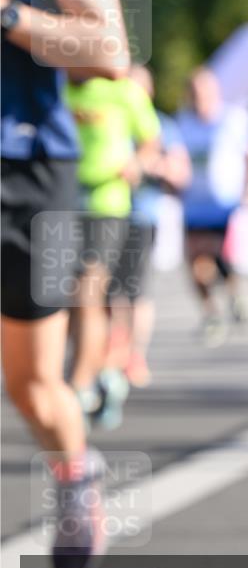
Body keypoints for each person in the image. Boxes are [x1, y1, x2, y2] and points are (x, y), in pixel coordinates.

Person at [0, 0, 128, 568]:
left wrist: (8, 13)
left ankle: (76, 473)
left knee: (34, 385)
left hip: (28, 171)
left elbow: (109, 51)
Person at [65, 68, 161, 422]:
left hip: (107, 206)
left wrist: (138, 162)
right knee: (67, 300)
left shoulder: (123, 92)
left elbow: (151, 141)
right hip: (57, 205)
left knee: (88, 291)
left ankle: (80, 383)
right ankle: (99, 369)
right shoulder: (53, 87)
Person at [106, 65, 191, 387]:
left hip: (142, 216)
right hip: (107, 213)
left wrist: (148, 165)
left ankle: (135, 355)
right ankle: (113, 350)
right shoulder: (110, 115)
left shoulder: (162, 125)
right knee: (109, 290)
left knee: (136, 290)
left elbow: (180, 173)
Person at [177, 67, 248, 346]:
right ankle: (211, 312)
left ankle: (235, 291)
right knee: (197, 262)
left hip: (225, 204)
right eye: (195, 92)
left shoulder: (233, 119)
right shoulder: (183, 122)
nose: (201, 98)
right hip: (194, 204)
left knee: (219, 257)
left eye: (205, 91)